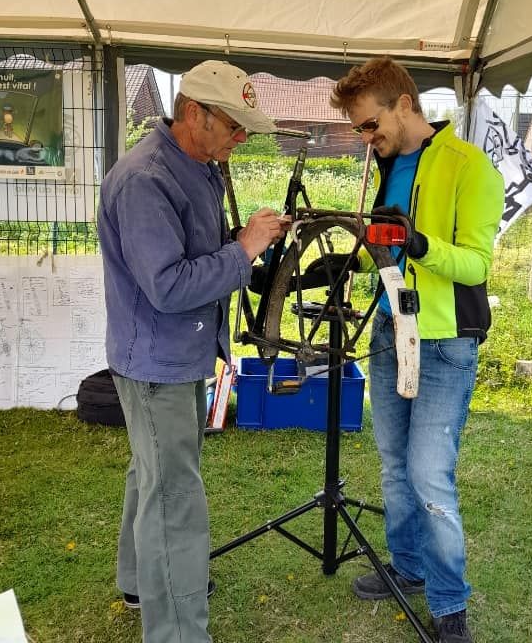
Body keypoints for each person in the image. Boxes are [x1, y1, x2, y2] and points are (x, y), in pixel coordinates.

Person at [97, 60, 289, 643]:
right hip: (158, 361)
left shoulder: (195, 165)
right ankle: (177, 632)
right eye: (233, 126)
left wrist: (237, 241)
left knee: (152, 473)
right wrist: (245, 251)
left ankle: (138, 581)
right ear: (192, 114)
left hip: (169, 355)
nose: (240, 137)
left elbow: (189, 254)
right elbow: (170, 286)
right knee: (174, 497)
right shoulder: (147, 179)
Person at [329, 56, 504, 643]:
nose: (365, 137)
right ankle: (406, 568)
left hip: (444, 344)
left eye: (369, 124)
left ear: (404, 104)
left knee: (431, 476)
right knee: (394, 464)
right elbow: (383, 248)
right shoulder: (386, 164)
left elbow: (477, 263)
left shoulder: (470, 168)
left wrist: (420, 243)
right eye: (358, 129)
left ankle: (450, 605)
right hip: (387, 330)